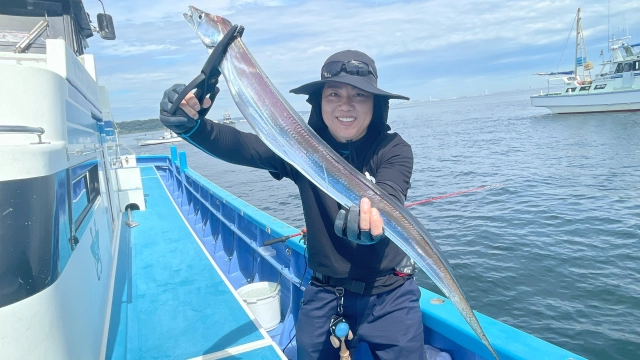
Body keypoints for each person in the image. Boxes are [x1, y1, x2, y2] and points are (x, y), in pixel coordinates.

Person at [159, 50, 424, 360]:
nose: (345, 104)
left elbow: (390, 192)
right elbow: (244, 147)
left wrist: (373, 222)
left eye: (359, 95)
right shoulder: (300, 149)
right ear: (319, 103)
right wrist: (193, 128)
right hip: (326, 293)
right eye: (334, 93)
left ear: (376, 104)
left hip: (390, 296)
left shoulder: (393, 148)